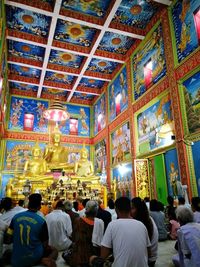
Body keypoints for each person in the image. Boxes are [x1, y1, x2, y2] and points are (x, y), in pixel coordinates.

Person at [5, 193, 57, 267]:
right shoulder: (41, 221)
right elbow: (45, 245)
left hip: (16, 259)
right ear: (39, 206)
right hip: (34, 258)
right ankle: (45, 260)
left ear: (28, 204)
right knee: (54, 250)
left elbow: (8, 239)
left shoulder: (15, 217)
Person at [101, 197, 151, 267]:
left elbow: (104, 254)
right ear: (130, 208)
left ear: (116, 209)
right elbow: (149, 252)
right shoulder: (141, 225)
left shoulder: (112, 225)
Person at [63, 200, 104, 267]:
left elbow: (73, 238)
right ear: (96, 211)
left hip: (78, 256)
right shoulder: (99, 223)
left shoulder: (78, 221)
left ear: (86, 209)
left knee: (65, 254)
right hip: (93, 255)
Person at [131, 197, 158, 267]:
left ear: (139, 210)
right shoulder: (148, 218)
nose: (130, 211)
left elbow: (145, 249)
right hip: (151, 258)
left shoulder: (141, 223)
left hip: (148, 260)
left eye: (132, 208)